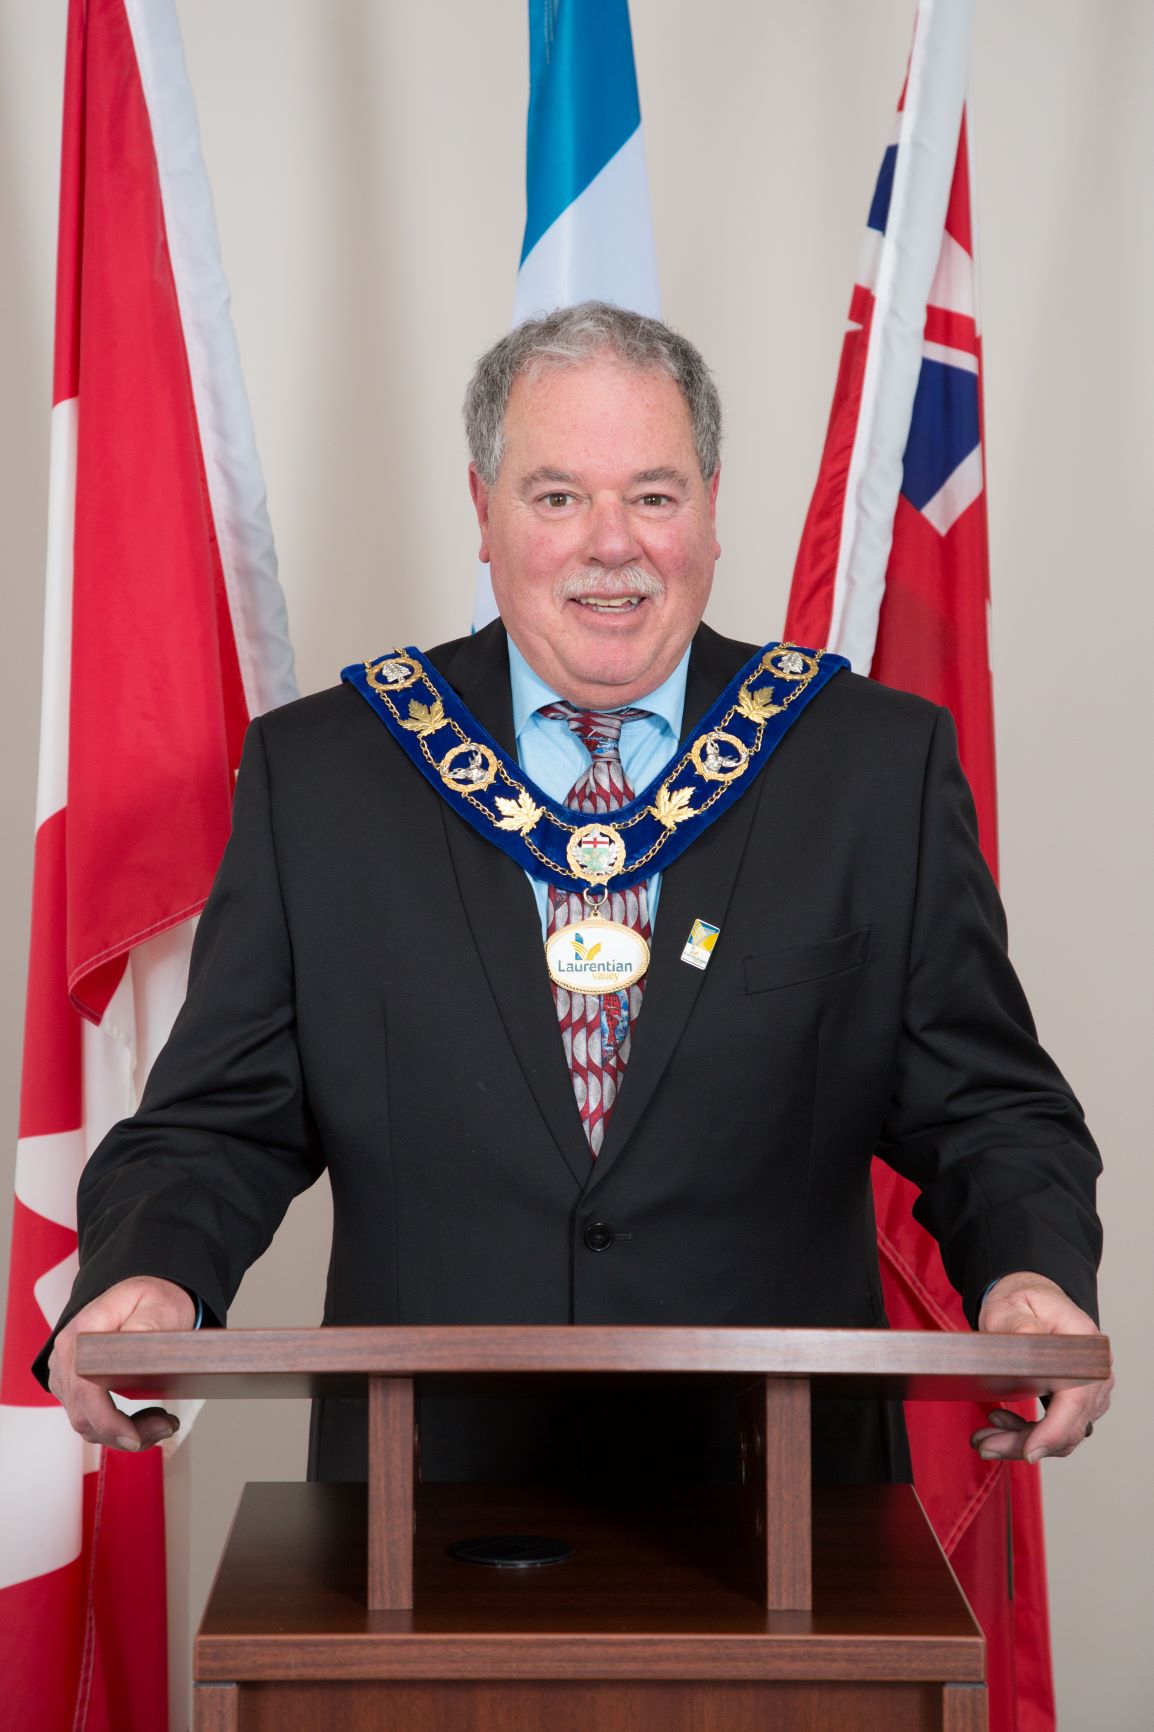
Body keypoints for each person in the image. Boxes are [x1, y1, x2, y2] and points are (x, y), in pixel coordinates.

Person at [39, 302, 1111, 1482]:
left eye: (652, 495)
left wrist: (1027, 1276)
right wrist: (149, 1274)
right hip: (421, 1506)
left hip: (789, 1509)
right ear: (483, 514)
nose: (611, 543)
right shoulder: (328, 776)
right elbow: (218, 1121)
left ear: (709, 507)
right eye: (557, 497)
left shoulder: (867, 767)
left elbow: (989, 1111)